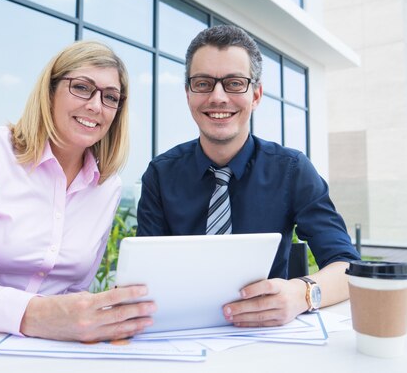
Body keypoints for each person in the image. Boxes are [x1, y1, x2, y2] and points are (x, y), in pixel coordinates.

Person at [0, 40, 156, 342]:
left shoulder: (107, 187)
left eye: (110, 97)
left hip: (53, 349)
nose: (96, 105)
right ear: (50, 91)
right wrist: (34, 315)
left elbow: (75, 289)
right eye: (82, 87)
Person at [137, 25, 360, 327]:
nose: (218, 97)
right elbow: (146, 278)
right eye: (203, 83)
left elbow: (348, 268)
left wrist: (301, 294)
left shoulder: (292, 170)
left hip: (267, 336)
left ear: (255, 94)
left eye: (234, 83)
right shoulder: (160, 175)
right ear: (188, 93)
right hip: (180, 335)